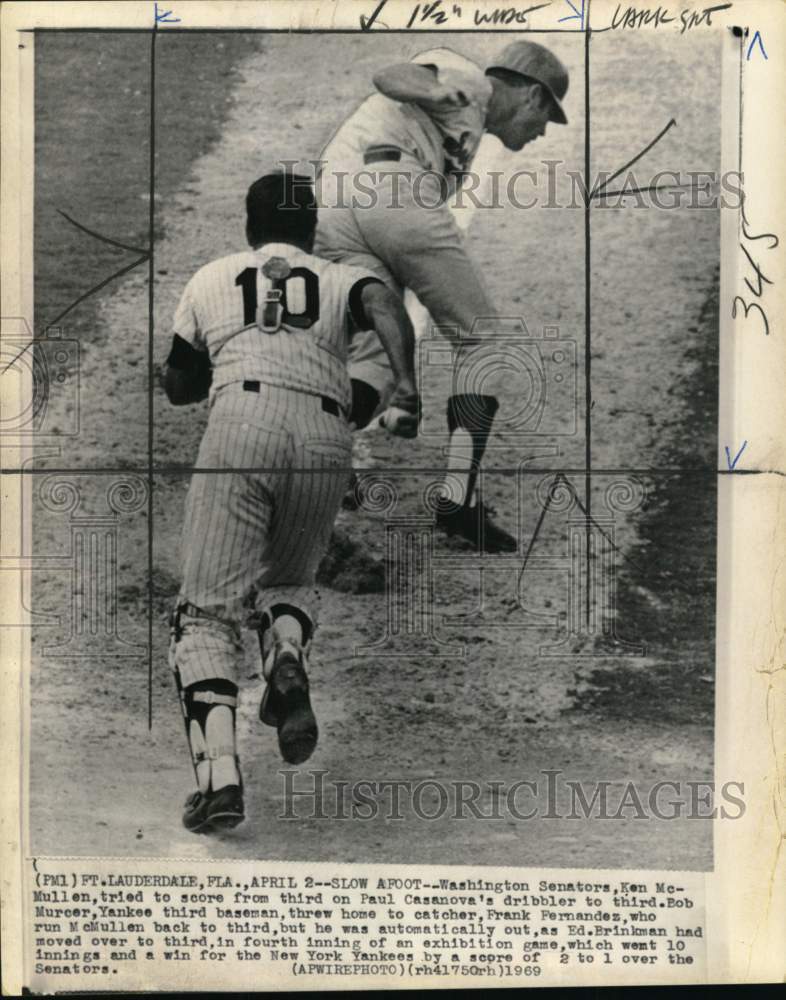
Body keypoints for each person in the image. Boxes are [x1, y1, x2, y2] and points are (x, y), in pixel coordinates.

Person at [163, 171, 418, 834]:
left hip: (242, 426)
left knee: (204, 618)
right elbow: (387, 305)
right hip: (326, 436)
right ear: (311, 230)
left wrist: (190, 365)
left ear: (250, 227)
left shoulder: (213, 276)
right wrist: (408, 385)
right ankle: (285, 657)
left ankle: (218, 782)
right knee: (288, 583)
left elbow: (181, 386)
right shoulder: (338, 280)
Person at [314, 40, 569, 552]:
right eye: (546, 118)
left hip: (330, 207)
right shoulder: (470, 80)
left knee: (378, 356)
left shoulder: (465, 124)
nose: (541, 132)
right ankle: (458, 502)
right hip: (393, 194)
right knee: (485, 345)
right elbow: (389, 73)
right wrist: (436, 88)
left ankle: (321, 469)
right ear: (534, 97)